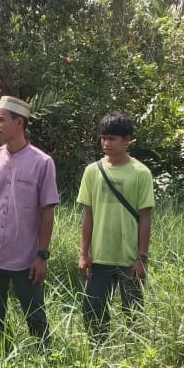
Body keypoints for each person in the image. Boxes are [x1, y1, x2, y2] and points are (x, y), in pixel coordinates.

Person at [0, 96, 59, 354]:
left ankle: (46, 361)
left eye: (1, 120)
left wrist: (42, 255)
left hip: (25, 258)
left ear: (19, 123)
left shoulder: (42, 162)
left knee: (35, 315)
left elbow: (47, 211)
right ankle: (0, 361)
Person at [76, 112, 154, 341]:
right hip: (100, 257)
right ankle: (97, 355)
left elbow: (145, 217)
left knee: (133, 315)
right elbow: (88, 214)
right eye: (103, 138)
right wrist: (83, 253)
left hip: (129, 259)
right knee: (92, 311)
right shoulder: (92, 171)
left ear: (127, 139)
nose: (106, 143)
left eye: (112, 138)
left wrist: (142, 258)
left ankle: (132, 360)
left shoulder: (141, 173)